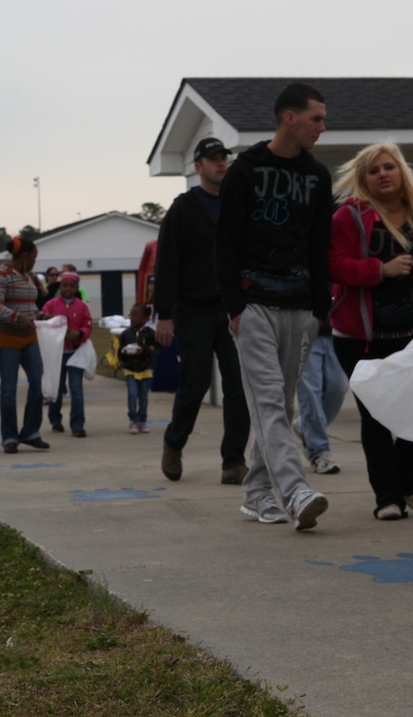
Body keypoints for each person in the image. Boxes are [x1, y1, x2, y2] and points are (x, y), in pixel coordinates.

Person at [215, 83, 332, 529]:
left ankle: (256, 492)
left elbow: (320, 246)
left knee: (280, 407)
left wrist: (320, 309)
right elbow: (224, 244)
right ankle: (296, 491)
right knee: (266, 400)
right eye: (316, 119)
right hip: (254, 306)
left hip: (301, 308)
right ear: (290, 118)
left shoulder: (318, 177)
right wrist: (235, 307)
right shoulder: (245, 171)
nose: (322, 127)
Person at [329, 142, 413, 520]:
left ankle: (407, 478)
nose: (382, 174)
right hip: (360, 337)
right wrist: (378, 271)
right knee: (375, 417)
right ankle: (387, 497)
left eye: (389, 167)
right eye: (373, 170)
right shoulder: (349, 217)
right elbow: (334, 265)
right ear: (363, 179)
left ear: (402, 172)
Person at [154, 136, 251, 485]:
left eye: (223, 157)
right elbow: (166, 262)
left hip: (231, 309)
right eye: (212, 159)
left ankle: (233, 460)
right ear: (198, 167)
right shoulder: (184, 208)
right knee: (193, 385)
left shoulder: (237, 205)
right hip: (192, 310)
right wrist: (163, 313)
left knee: (238, 386)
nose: (220, 163)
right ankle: (174, 442)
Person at [0, 236, 51, 454]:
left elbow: (29, 305)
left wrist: (40, 314)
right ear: (24, 256)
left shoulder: (28, 276)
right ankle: (9, 437)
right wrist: (18, 317)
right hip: (6, 339)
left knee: (38, 381)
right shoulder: (1, 274)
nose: (35, 262)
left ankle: (30, 432)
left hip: (29, 337)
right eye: (33, 258)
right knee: (9, 389)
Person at [41, 271, 93, 437]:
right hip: (57, 354)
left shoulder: (82, 306)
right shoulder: (51, 304)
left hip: (76, 353)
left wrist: (79, 334)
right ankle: (55, 419)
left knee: (76, 388)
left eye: (71, 285)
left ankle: (77, 424)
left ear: (77, 287)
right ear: (60, 286)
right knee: (57, 387)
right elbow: (43, 321)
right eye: (65, 285)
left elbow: (88, 324)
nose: (68, 288)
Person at [293, 325, 348, 474]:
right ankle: (319, 452)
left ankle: (304, 425)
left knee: (339, 387)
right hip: (305, 329)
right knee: (310, 391)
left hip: (335, 330)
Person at [118, 302, 158, 434]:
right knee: (132, 394)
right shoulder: (126, 334)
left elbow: (155, 351)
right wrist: (124, 352)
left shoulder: (151, 334)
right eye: (131, 314)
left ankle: (142, 420)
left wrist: (144, 351)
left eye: (136, 315)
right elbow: (120, 352)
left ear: (145, 318)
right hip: (130, 369)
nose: (132, 317)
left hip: (145, 370)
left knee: (143, 397)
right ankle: (133, 420)